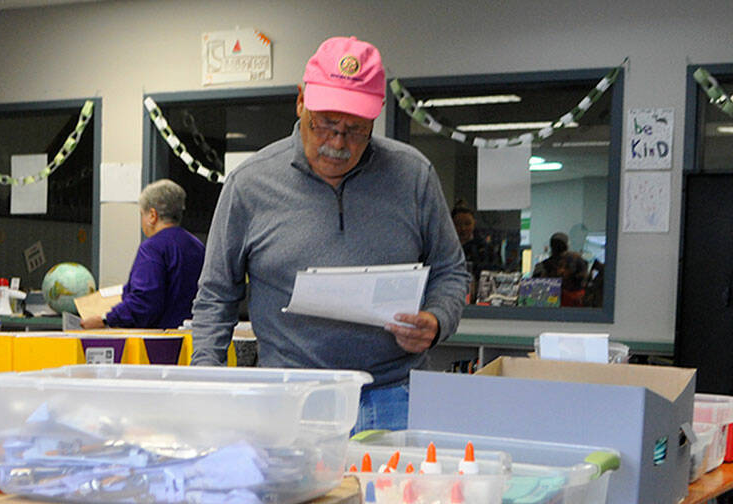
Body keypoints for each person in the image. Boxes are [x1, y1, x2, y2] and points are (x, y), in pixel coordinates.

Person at [191, 36, 469, 432]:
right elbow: (216, 294)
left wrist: (437, 319)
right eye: (325, 124)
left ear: (376, 118)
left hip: (395, 397)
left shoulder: (413, 176)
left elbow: (451, 272)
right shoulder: (249, 185)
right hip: (290, 400)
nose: (337, 143)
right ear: (301, 101)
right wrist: (206, 379)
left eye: (355, 130)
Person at [80, 179, 204, 330]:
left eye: (142, 214)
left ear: (152, 215)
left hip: (158, 343)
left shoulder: (153, 248)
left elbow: (144, 302)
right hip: (192, 338)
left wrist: (105, 319)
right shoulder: (197, 246)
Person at [533, 231, 588, 308]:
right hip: (575, 304)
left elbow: (535, 289)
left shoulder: (544, 265)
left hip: (551, 304)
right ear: (567, 245)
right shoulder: (579, 260)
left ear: (551, 246)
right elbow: (584, 282)